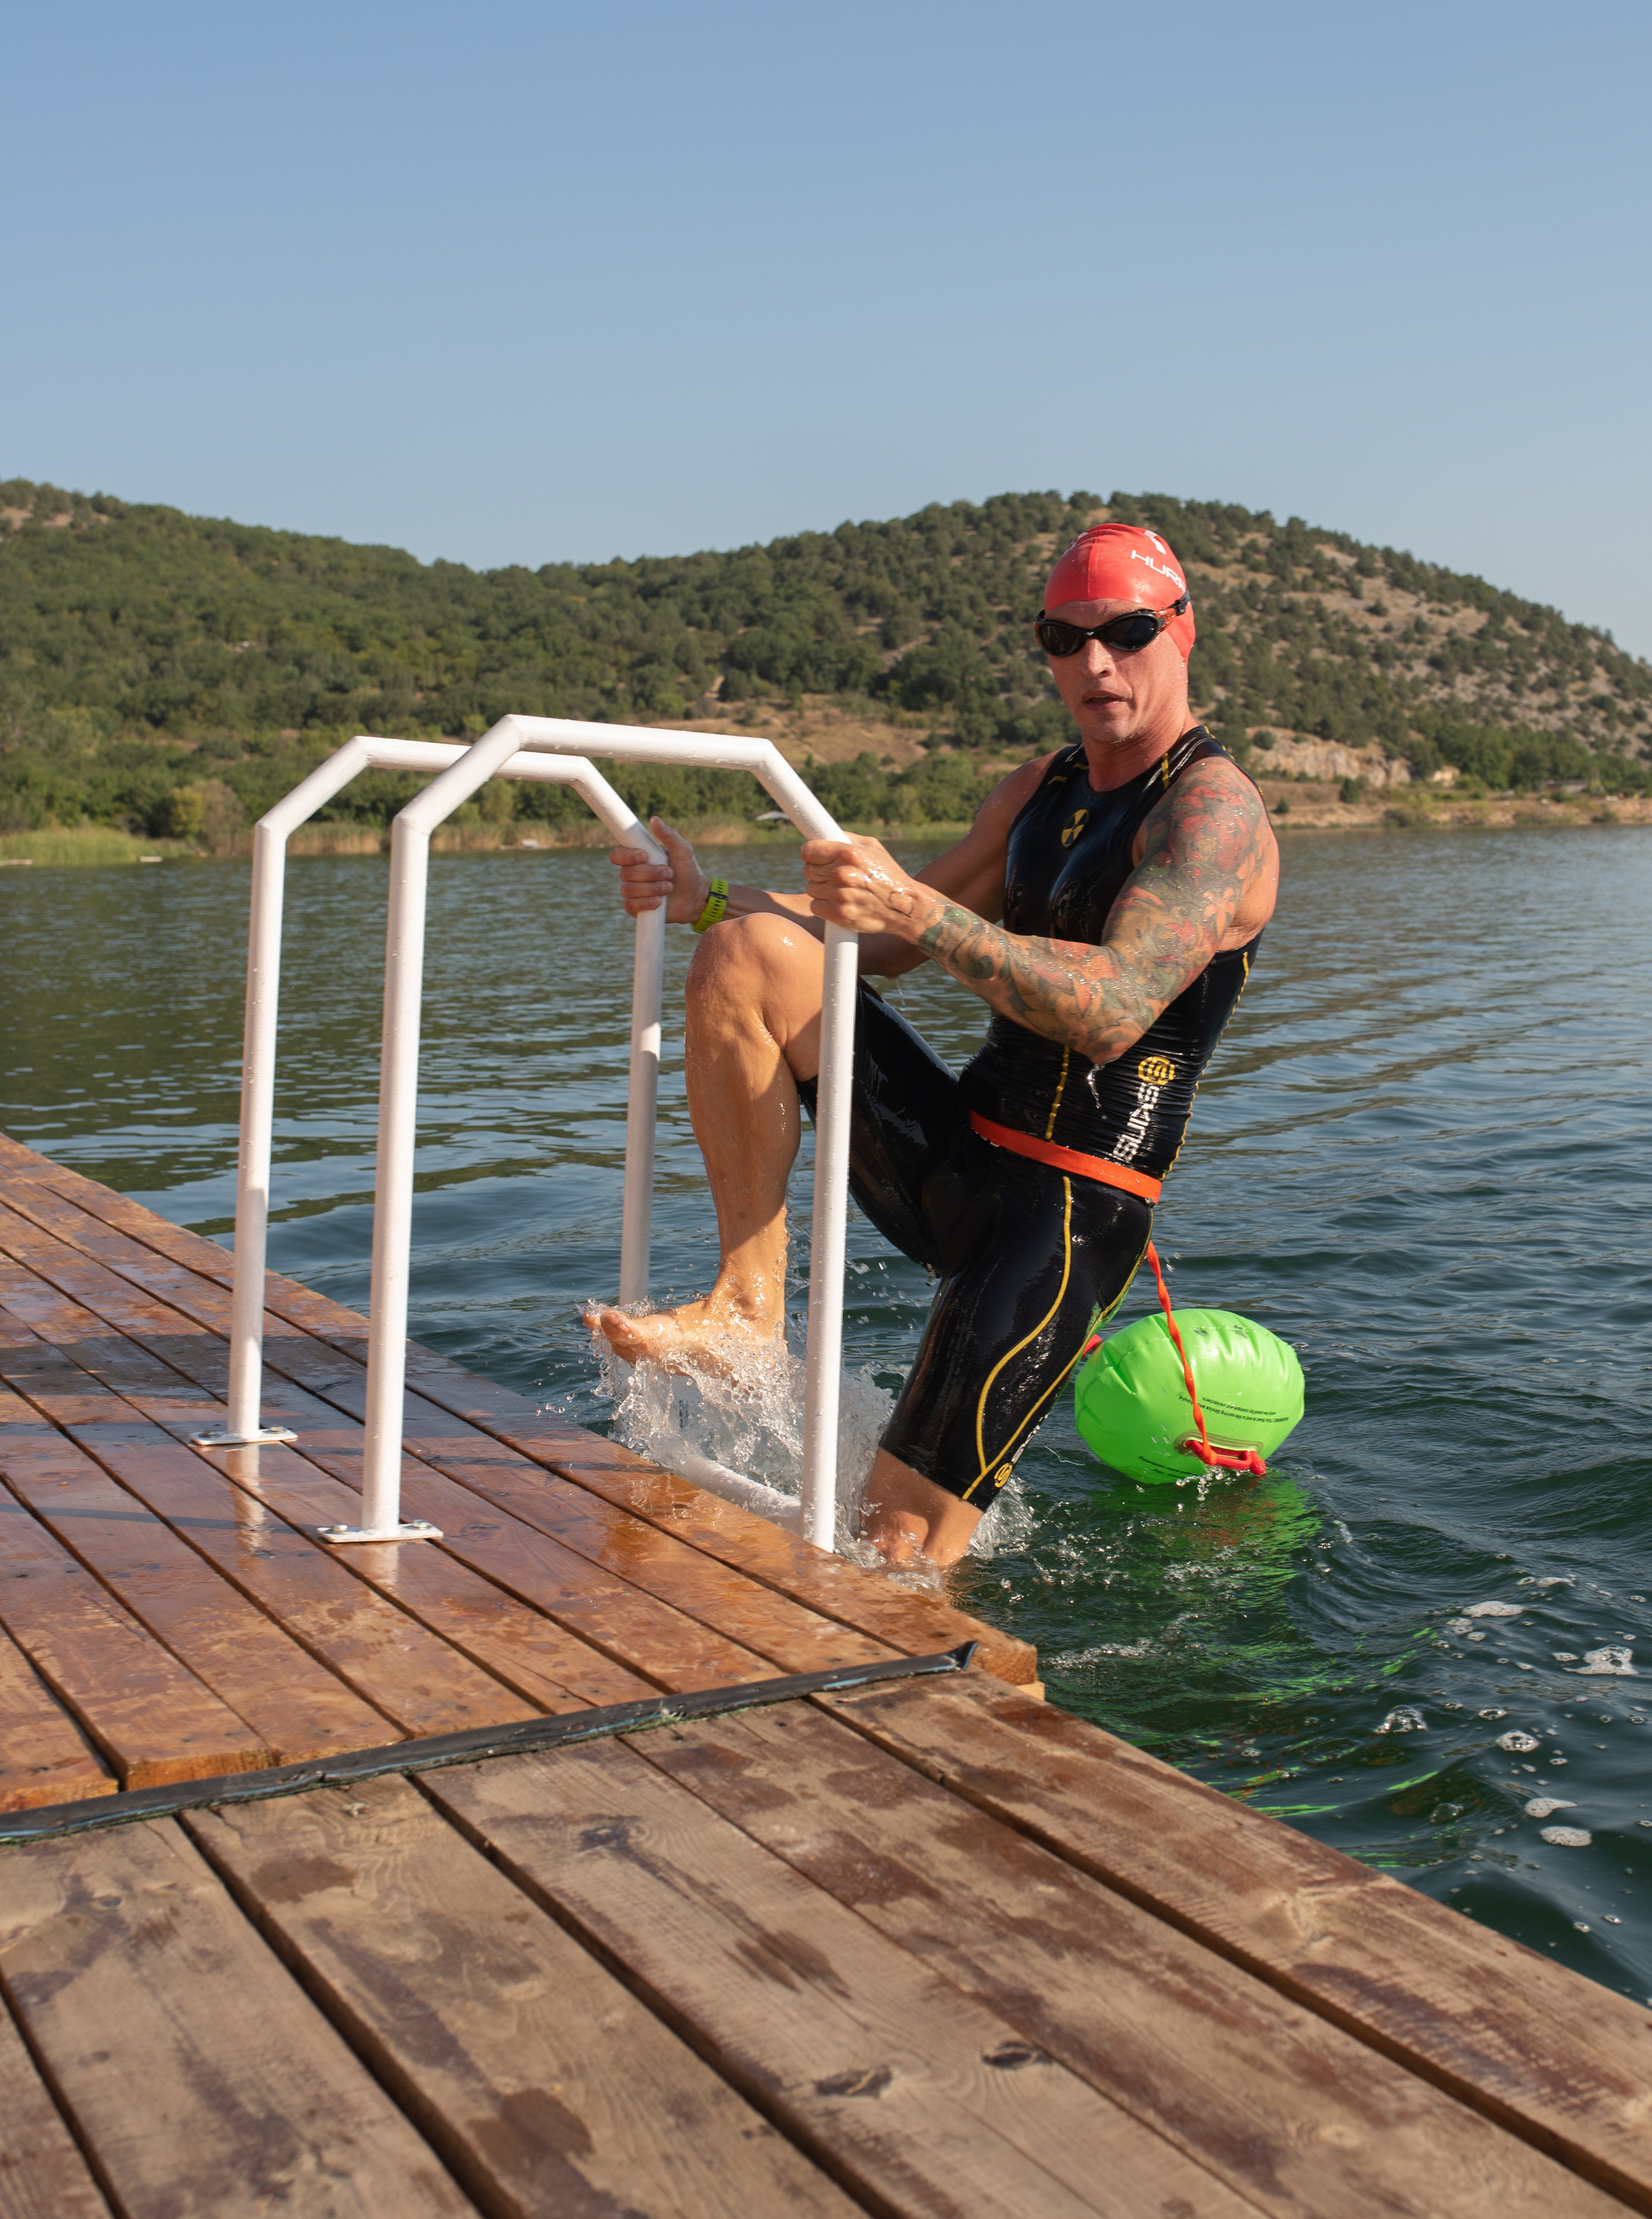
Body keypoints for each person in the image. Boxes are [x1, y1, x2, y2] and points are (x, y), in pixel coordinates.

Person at [591, 522, 1278, 1569]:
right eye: (1065, 636)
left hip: (1060, 1215)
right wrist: (713, 896)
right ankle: (745, 1306)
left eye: (1127, 631)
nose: (1095, 663)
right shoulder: (1042, 789)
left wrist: (921, 911)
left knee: (897, 1543)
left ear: (1183, 631)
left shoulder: (1213, 816)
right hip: (953, 1153)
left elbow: (1113, 1008)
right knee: (749, 954)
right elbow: (881, 942)